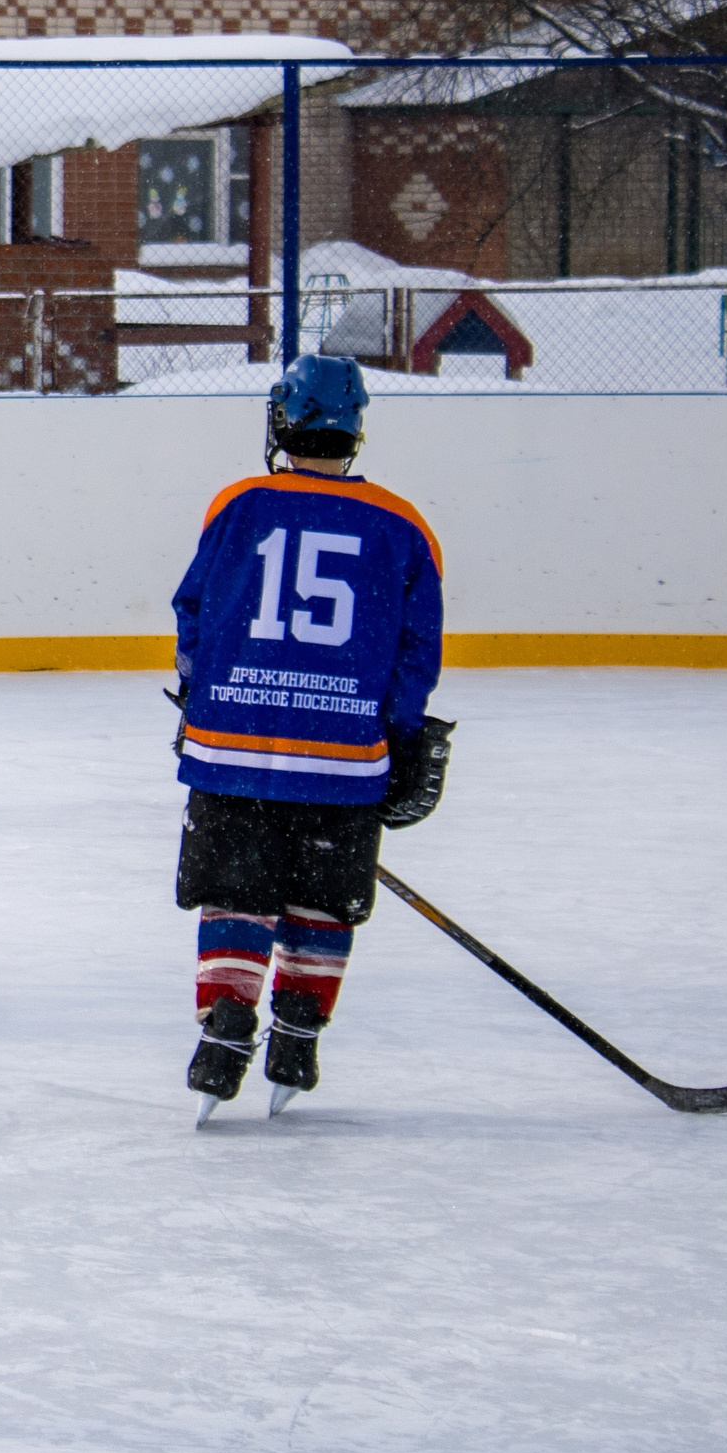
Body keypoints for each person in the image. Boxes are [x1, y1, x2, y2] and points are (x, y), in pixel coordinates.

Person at [170, 354, 454, 1122]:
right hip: (343, 763)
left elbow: (194, 610)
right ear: (355, 429)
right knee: (322, 903)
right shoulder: (404, 525)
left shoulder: (238, 502)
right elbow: (415, 653)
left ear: (282, 420)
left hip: (233, 750)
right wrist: (395, 741)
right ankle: (297, 1032)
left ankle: (226, 1027)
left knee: (236, 891)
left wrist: (200, 703)